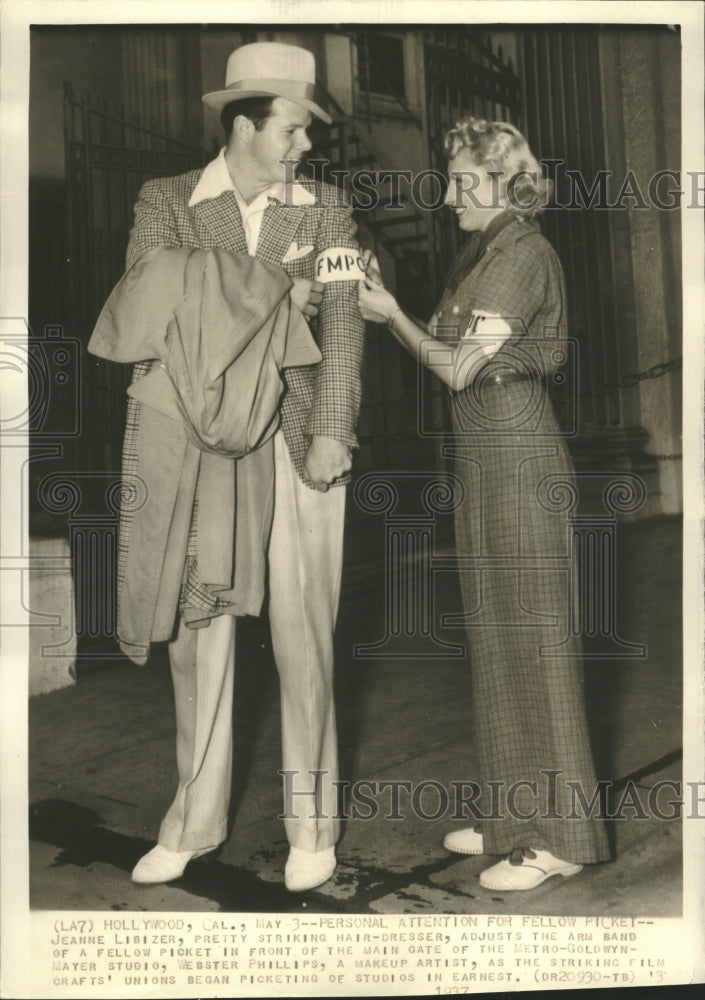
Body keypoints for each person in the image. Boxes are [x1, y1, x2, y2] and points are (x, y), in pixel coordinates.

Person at [93, 41, 365, 893]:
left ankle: (312, 826)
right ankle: (193, 821)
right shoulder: (167, 200)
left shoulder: (328, 211)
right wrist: (278, 289)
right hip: (203, 446)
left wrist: (333, 430)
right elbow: (148, 305)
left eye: (307, 133)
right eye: (290, 129)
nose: (303, 147)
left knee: (303, 638)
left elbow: (346, 326)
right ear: (243, 124)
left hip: (296, 442)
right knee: (199, 637)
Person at [358, 115, 610, 891]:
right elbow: (450, 348)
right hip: (484, 447)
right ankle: (513, 815)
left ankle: (561, 836)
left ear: (506, 186)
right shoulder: (483, 252)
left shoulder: (521, 252)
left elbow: (458, 368)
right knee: (498, 634)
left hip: (514, 446)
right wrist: (399, 314)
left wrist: (389, 313)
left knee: (532, 638)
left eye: (465, 182)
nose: (448, 194)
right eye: (450, 178)